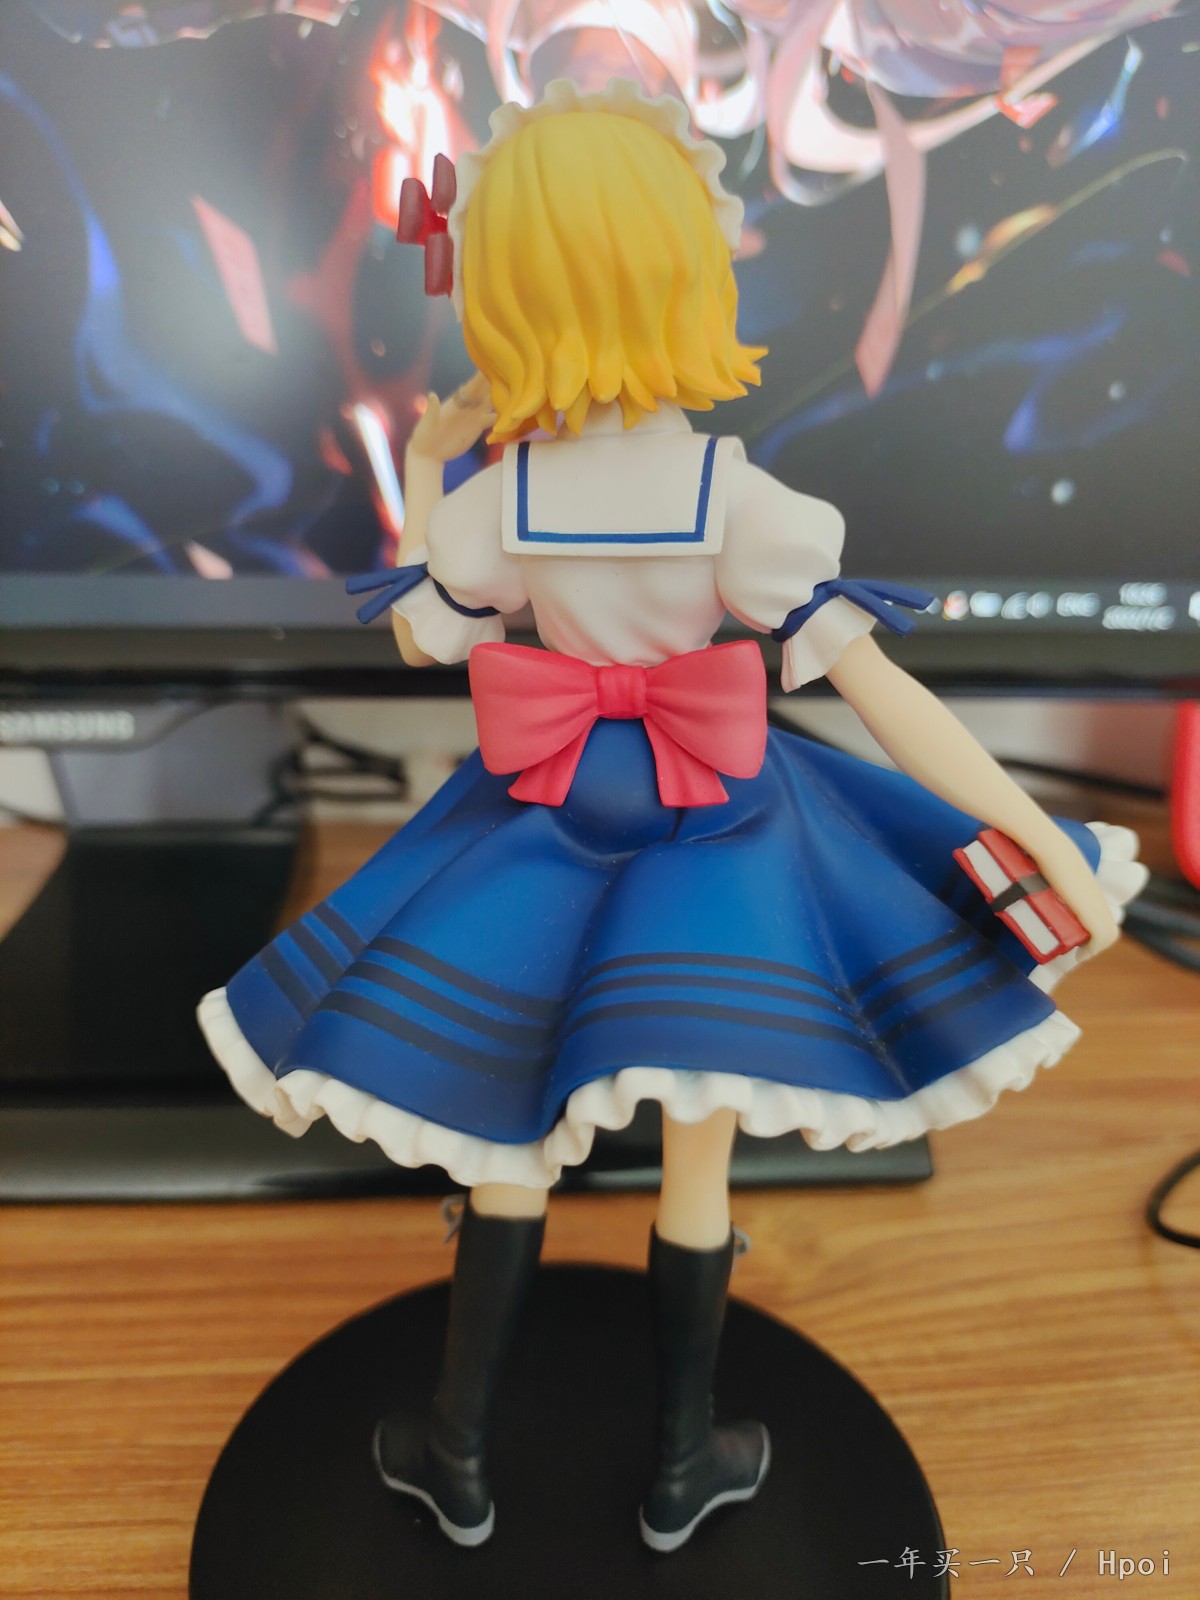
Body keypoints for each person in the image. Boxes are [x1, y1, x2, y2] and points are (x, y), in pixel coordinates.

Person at [198, 78, 1145, 1555]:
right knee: (698, 1154)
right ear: (684, 273)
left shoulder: (504, 500)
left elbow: (428, 639)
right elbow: (883, 694)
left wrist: (437, 462)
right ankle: (682, 1467)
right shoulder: (739, 499)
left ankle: (456, 1455)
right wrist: (1029, 831)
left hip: (544, 819)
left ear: (515, 292)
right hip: (718, 833)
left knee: (505, 1130)